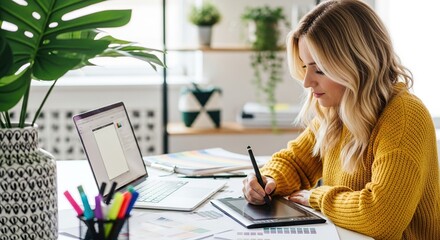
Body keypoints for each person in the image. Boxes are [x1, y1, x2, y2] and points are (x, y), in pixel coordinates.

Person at [242, 1, 440, 239]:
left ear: (357, 63)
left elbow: (382, 217)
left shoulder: (405, 116)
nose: (306, 82)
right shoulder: (338, 109)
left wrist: (318, 197)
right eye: (305, 67)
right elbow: (296, 162)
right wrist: (268, 179)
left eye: (320, 69)